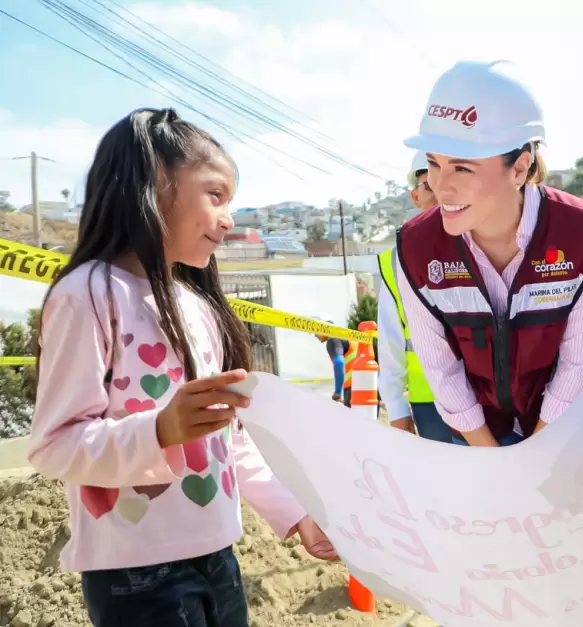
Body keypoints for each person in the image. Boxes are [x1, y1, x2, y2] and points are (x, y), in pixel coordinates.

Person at [27, 108, 337, 627]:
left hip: (219, 556)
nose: (229, 217)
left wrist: (295, 514)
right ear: (154, 185)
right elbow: (53, 444)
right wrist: (161, 430)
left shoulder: (197, 306)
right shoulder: (87, 295)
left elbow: (229, 439)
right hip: (135, 575)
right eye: (215, 195)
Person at [395, 60, 583, 447]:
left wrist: (534, 454)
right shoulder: (415, 246)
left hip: (563, 429)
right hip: (475, 432)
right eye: (432, 163)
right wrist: (493, 459)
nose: (441, 188)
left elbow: (580, 360)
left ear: (520, 168)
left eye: (462, 168)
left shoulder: (582, 233)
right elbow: (440, 368)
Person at [377, 153, 452, 442]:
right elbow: (390, 339)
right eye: (428, 185)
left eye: (447, 182)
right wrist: (396, 407)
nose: (439, 193)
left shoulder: (485, 247)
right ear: (415, 197)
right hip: (430, 402)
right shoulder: (395, 261)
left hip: (491, 399)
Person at [317, 326, 348, 403]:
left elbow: (339, 362)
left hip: (353, 387)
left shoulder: (332, 340)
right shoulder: (345, 336)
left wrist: (337, 392)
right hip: (367, 384)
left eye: (316, 331)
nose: (315, 336)